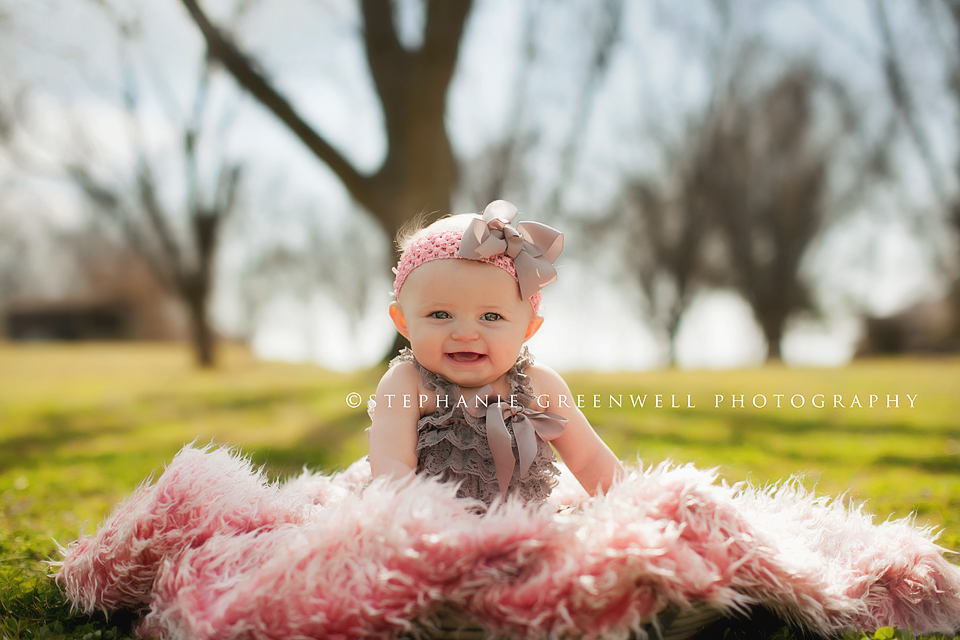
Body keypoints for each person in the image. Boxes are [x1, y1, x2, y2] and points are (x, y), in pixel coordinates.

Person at [368, 199, 624, 507]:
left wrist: (630, 503)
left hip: (521, 534)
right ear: (403, 322)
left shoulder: (539, 385)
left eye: (491, 317)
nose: (465, 333)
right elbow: (391, 465)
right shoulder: (407, 383)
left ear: (528, 329)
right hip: (432, 530)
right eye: (440, 315)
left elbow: (588, 458)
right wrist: (412, 526)